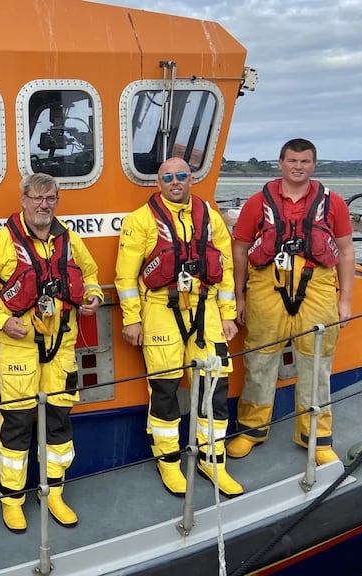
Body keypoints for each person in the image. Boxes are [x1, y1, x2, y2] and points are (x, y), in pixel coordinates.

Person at [0, 173, 103, 532]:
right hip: (19, 347)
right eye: (37, 197)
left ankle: (54, 492)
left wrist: (93, 297)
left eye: (51, 198)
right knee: (16, 424)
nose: (44, 204)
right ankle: (12, 499)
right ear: (23, 200)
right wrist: (1, 321)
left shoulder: (70, 240)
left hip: (62, 345)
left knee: (59, 418)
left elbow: (90, 274)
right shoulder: (1, 243)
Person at [115, 157, 243, 498]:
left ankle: (212, 458)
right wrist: (131, 318)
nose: (175, 181)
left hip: (206, 308)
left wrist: (228, 313)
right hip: (159, 309)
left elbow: (226, 270)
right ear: (159, 183)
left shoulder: (211, 219)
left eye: (181, 175)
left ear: (191, 179)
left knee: (215, 385)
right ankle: (168, 460)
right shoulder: (139, 221)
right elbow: (125, 277)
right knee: (165, 387)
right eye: (168, 177)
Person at [226, 138, 353, 466]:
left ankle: (316, 436)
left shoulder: (333, 203)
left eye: (306, 161)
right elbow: (240, 250)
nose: (298, 167)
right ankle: (252, 429)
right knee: (260, 361)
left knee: (317, 364)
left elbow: (346, 250)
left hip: (319, 288)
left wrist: (346, 300)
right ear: (280, 163)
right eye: (292, 160)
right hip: (266, 288)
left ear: (314, 165)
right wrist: (239, 296)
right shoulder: (257, 203)